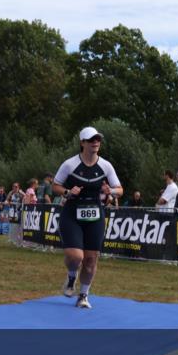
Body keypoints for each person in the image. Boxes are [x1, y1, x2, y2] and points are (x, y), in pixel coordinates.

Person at [52, 126, 123, 309]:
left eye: (98, 139)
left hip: (95, 214)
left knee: (91, 260)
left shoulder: (106, 166)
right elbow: (56, 185)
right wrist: (68, 191)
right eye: (91, 140)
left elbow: (120, 190)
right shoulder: (70, 164)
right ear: (82, 143)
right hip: (72, 213)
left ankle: (83, 295)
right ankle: (71, 276)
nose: (96, 142)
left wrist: (111, 191)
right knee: (75, 256)